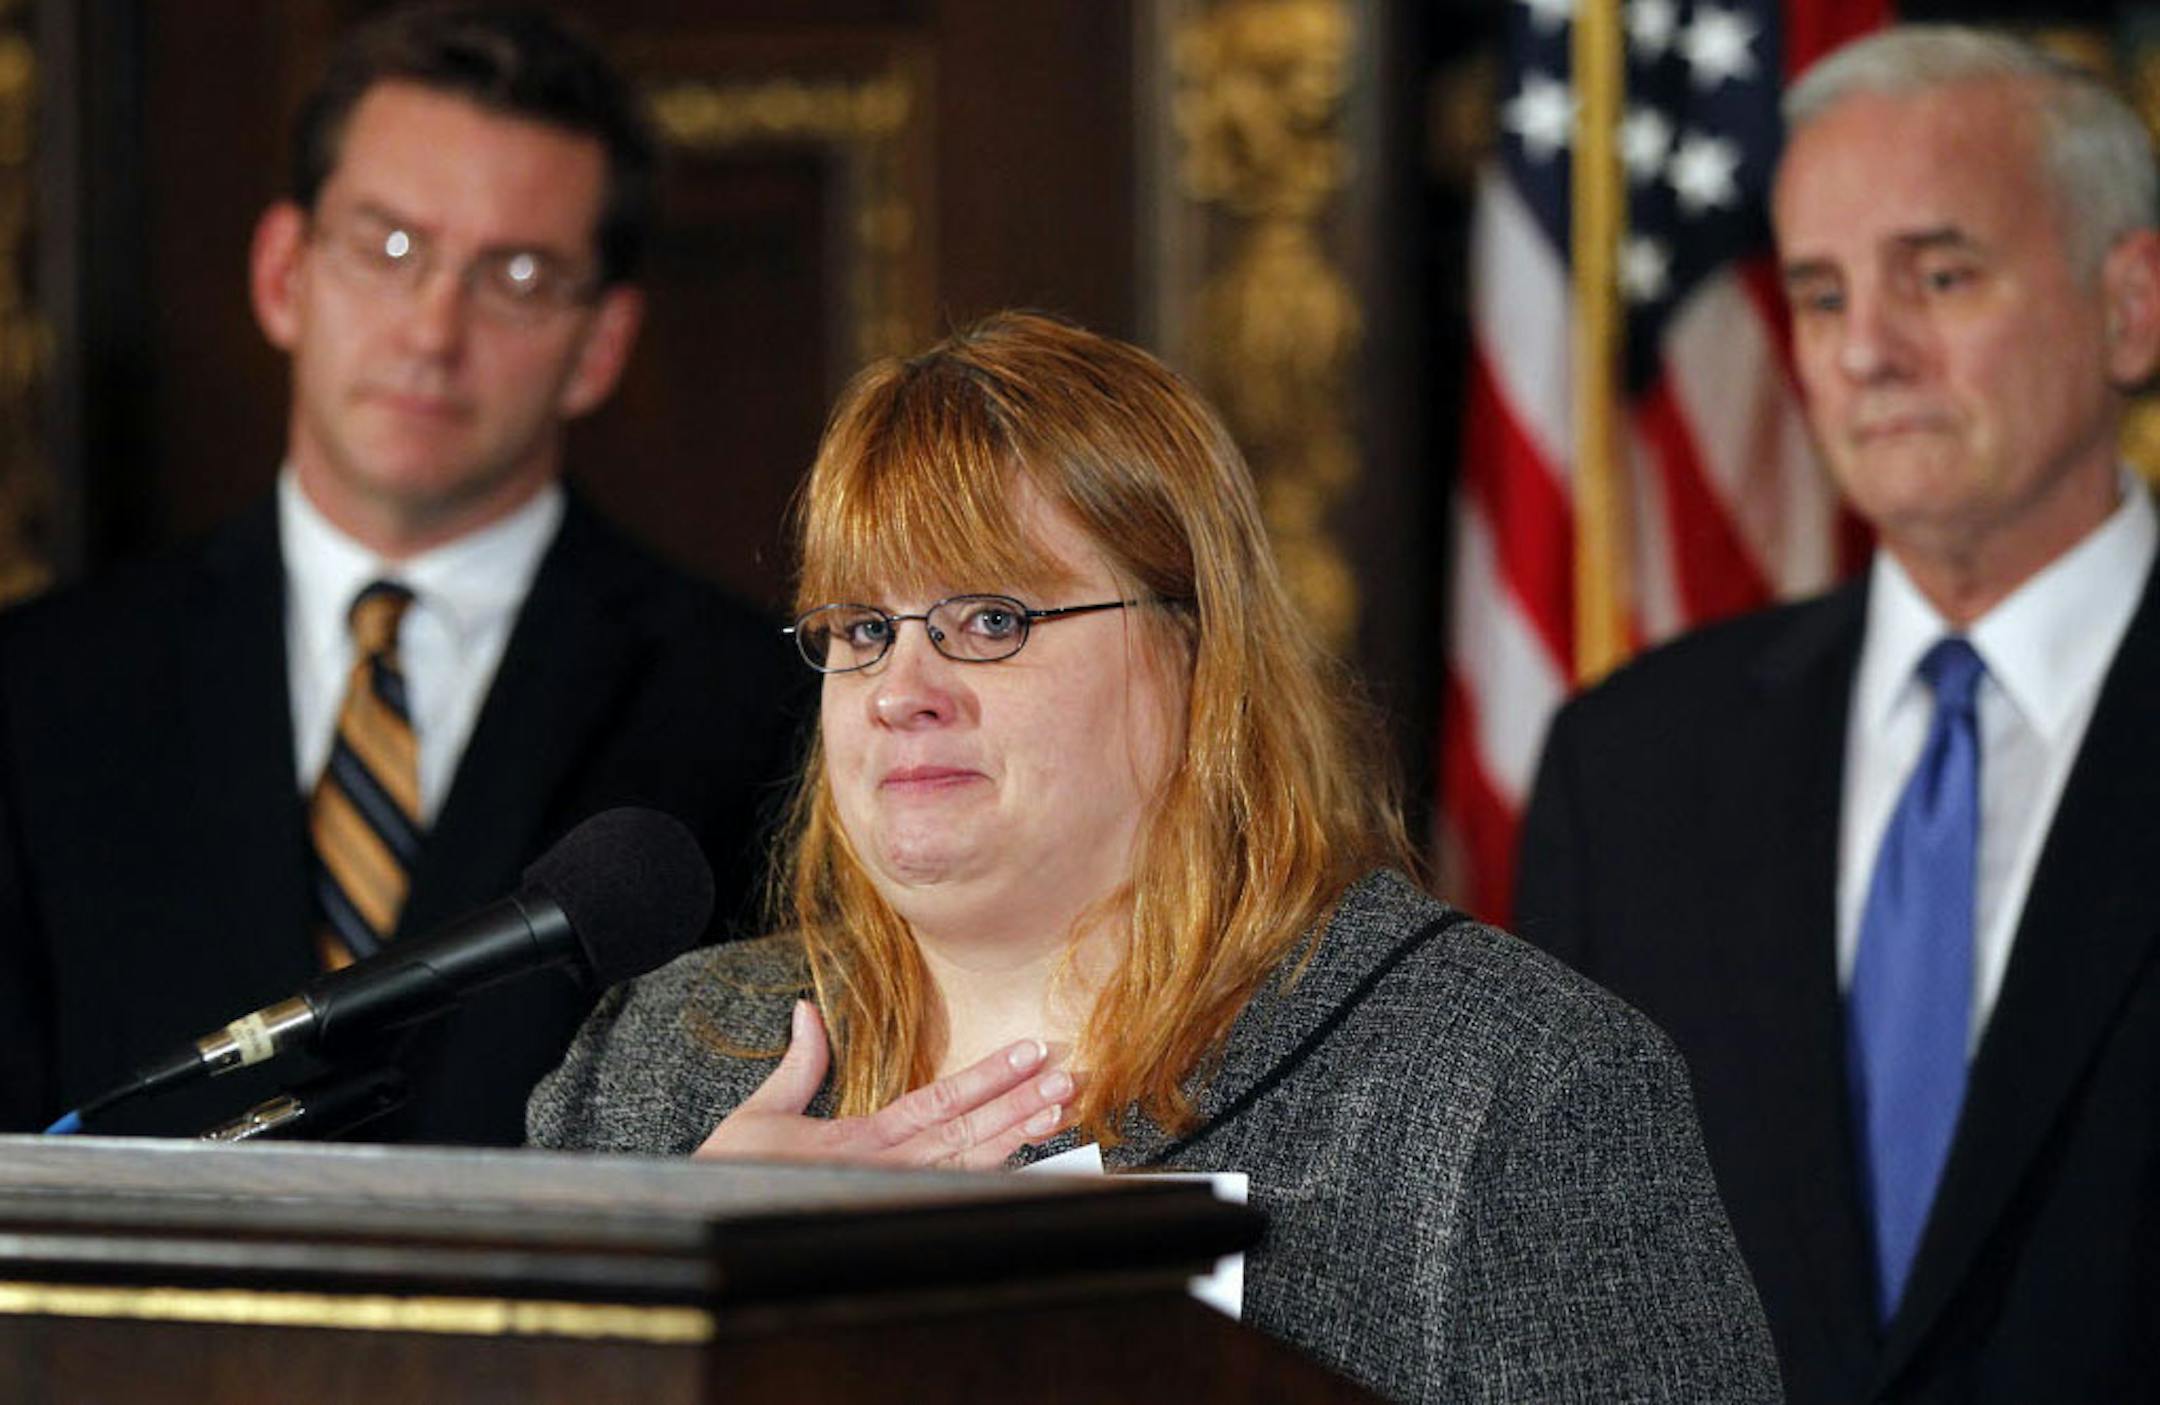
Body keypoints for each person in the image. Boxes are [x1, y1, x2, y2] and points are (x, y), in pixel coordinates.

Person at [528, 311, 1782, 1402]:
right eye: (862, 627)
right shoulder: (651, 1071)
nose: (901, 688)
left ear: (1198, 656)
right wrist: (671, 1276)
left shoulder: (1511, 1092)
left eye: (991, 618)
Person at [0, 5, 798, 1145]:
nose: (434, 327)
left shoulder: (757, 708)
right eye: (388, 248)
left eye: (516, 275)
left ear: (600, 344)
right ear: (284, 274)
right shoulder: (40, 691)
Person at [1514, 25, 2160, 1404]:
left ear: (2132, 308)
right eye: (1818, 295)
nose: (1866, 350)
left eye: (1940, 275)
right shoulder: (1627, 770)